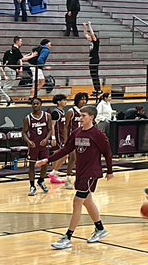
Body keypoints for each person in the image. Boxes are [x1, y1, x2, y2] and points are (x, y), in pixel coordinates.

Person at [38, 105, 114, 249]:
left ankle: (67, 237)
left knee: (77, 202)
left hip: (91, 173)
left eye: (84, 116)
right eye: (80, 115)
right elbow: (66, 149)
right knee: (87, 201)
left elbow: (108, 154)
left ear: (91, 117)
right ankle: (100, 229)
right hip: (80, 172)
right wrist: (47, 160)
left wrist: (110, 171)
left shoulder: (98, 135)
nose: (80, 118)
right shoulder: (77, 132)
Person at [23, 96, 54, 196]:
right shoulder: (27, 118)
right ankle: (32, 186)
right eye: (34, 104)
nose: (35, 105)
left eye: (37, 103)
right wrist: (28, 141)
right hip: (33, 145)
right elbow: (24, 132)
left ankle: (41, 180)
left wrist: (47, 139)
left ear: (41, 105)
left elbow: (50, 129)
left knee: (44, 164)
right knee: (31, 165)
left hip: (43, 144)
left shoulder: (47, 116)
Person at [65, 92, 90, 185]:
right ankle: (68, 179)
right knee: (73, 158)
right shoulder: (71, 111)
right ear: (77, 100)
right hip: (73, 138)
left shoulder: (87, 112)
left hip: (84, 138)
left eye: (85, 99)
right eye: (81, 99)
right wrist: (66, 140)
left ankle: (80, 178)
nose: (83, 101)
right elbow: (66, 127)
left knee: (83, 159)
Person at [83, 22, 102, 94]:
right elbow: (86, 34)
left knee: (95, 74)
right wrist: (84, 26)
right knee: (92, 75)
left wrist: (89, 25)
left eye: (91, 37)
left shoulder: (96, 42)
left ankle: (99, 89)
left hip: (95, 59)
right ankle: (96, 89)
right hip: (91, 59)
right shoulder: (91, 42)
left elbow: (92, 34)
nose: (89, 38)